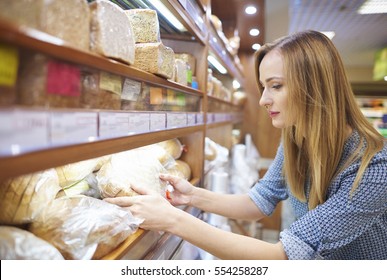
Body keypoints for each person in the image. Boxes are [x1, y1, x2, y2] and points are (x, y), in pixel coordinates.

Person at [105, 30, 387, 260]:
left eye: (276, 86)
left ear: (315, 86)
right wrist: (191, 196)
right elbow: (259, 201)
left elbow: (281, 258)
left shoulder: (373, 167)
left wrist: (172, 220)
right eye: (264, 86)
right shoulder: (296, 138)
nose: (264, 100)